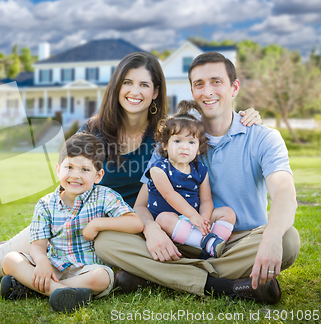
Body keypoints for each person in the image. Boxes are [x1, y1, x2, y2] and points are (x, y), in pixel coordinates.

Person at [0, 51, 261, 278]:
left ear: (155, 92)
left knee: (99, 264)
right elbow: (71, 179)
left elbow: (209, 123)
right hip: (82, 218)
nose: (134, 91)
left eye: (144, 85)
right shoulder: (93, 130)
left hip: (132, 226)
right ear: (117, 86)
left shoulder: (167, 135)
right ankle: (9, 252)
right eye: (128, 83)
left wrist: (247, 114)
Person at [94, 52, 300, 305]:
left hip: (235, 242)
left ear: (234, 87)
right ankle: (226, 285)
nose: (208, 91)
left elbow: (284, 193)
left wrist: (271, 236)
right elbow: (141, 204)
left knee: (287, 239)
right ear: (192, 91)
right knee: (105, 241)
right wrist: (152, 229)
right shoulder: (176, 138)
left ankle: (155, 275)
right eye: (199, 84)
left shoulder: (263, 137)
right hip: (178, 237)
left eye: (216, 81)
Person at [0, 133, 144, 312]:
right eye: (69, 167)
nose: (75, 175)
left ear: (98, 175)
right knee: (10, 260)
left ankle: (33, 289)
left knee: (103, 277)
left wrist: (97, 224)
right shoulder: (46, 204)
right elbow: (38, 245)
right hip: (54, 265)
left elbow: (136, 223)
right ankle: (62, 292)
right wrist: (42, 262)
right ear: (58, 169)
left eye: (85, 170)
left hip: (86, 269)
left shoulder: (105, 196)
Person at [146, 100, 235, 259]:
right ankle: (206, 243)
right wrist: (193, 216)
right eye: (178, 140)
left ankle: (212, 244)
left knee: (227, 213)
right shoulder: (159, 168)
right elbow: (170, 195)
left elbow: (206, 199)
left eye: (191, 142)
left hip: (193, 221)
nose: (184, 146)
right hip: (170, 224)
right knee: (163, 218)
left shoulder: (200, 170)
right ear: (165, 144)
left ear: (199, 147)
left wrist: (204, 220)